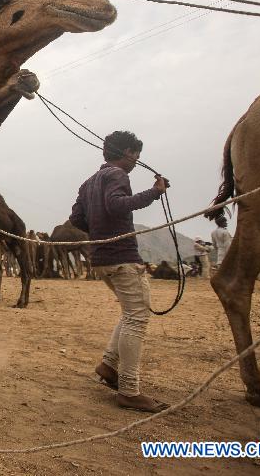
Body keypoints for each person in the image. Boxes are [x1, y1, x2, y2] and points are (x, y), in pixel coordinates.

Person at [70, 130, 170, 413]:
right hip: (122, 258)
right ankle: (129, 389)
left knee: (130, 314)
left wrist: (100, 231)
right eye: (136, 155)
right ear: (126, 152)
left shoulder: (88, 182)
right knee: (138, 319)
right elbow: (116, 205)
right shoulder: (117, 175)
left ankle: (108, 365)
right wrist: (155, 193)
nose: (137, 161)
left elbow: (76, 217)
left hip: (102, 259)